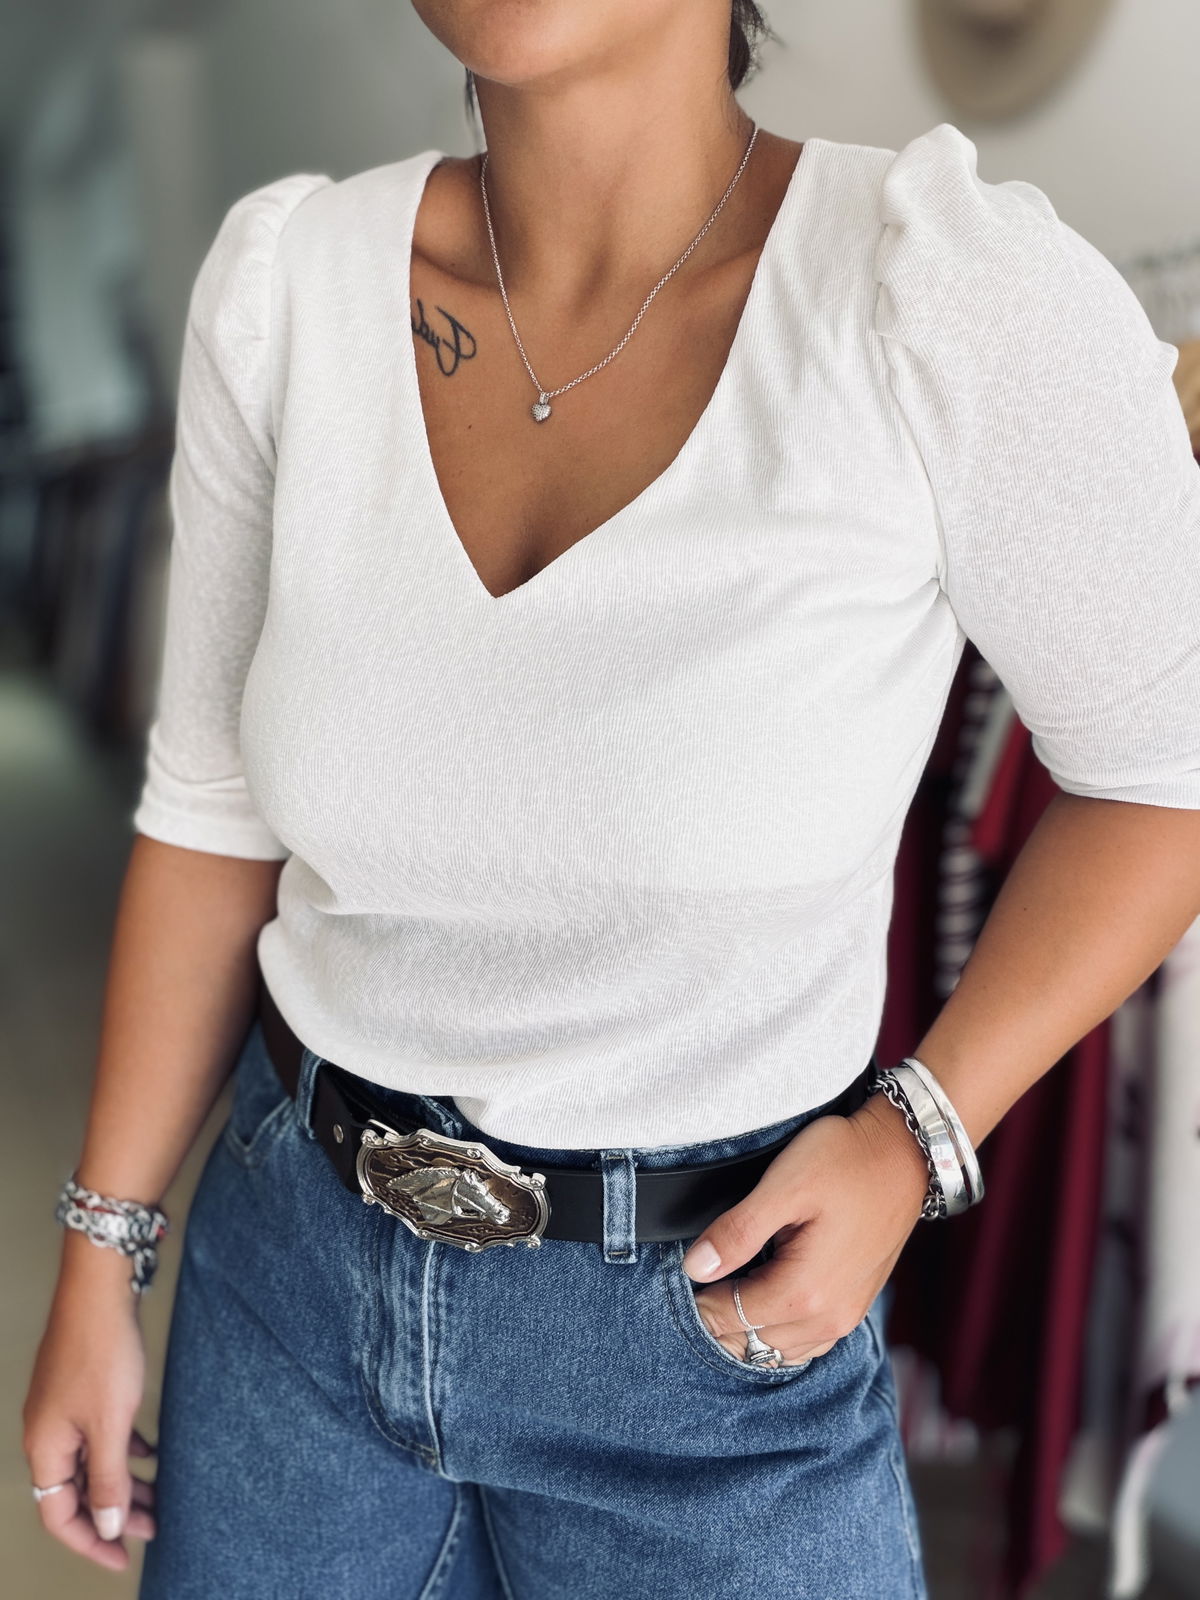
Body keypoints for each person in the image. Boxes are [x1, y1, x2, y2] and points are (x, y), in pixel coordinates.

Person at [21, 2, 1200, 1596]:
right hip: (286, 1296)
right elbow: (213, 811)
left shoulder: (932, 292)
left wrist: (917, 1135)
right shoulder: (290, 285)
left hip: (709, 1342)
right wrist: (100, 1253)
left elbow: (1166, 775)